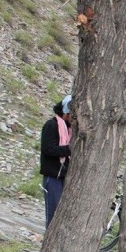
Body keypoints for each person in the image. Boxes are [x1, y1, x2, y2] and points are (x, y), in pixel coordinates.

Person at [40, 94, 72, 227]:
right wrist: (70, 149)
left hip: (63, 177)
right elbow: (48, 149)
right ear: (65, 112)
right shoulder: (51, 125)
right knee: (53, 215)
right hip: (52, 177)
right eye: (71, 114)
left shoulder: (69, 130)